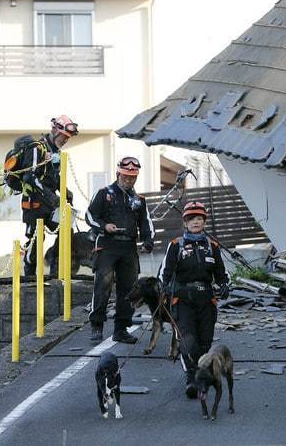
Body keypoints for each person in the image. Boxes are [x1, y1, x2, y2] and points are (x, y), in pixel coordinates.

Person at [158, 201, 230, 399]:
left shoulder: (212, 246)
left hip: (207, 301)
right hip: (183, 302)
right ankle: (191, 379)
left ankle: (202, 376)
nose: (196, 222)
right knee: (188, 343)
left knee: (205, 344)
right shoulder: (175, 245)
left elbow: (222, 274)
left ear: (204, 222)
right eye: (191, 219)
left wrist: (224, 286)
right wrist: (166, 290)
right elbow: (163, 274)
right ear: (185, 222)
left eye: (199, 218)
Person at [86, 157, 154, 343]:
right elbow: (90, 216)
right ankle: (97, 326)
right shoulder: (103, 193)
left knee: (129, 290)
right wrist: (104, 226)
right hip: (107, 246)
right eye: (125, 176)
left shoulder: (139, 200)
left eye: (132, 177)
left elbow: (145, 223)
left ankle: (121, 329)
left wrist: (148, 240)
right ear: (118, 174)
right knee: (103, 286)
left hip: (129, 248)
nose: (128, 179)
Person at [12, 115, 78, 277]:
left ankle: (55, 270)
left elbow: (54, 178)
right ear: (55, 130)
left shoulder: (57, 152)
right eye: (64, 136)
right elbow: (30, 177)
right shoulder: (37, 148)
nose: (65, 140)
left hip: (49, 205)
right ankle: (29, 277)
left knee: (65, 229)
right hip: (33, 205)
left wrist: (66, 192)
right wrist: (53, 197)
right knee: (36, 240)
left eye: (68, 138)